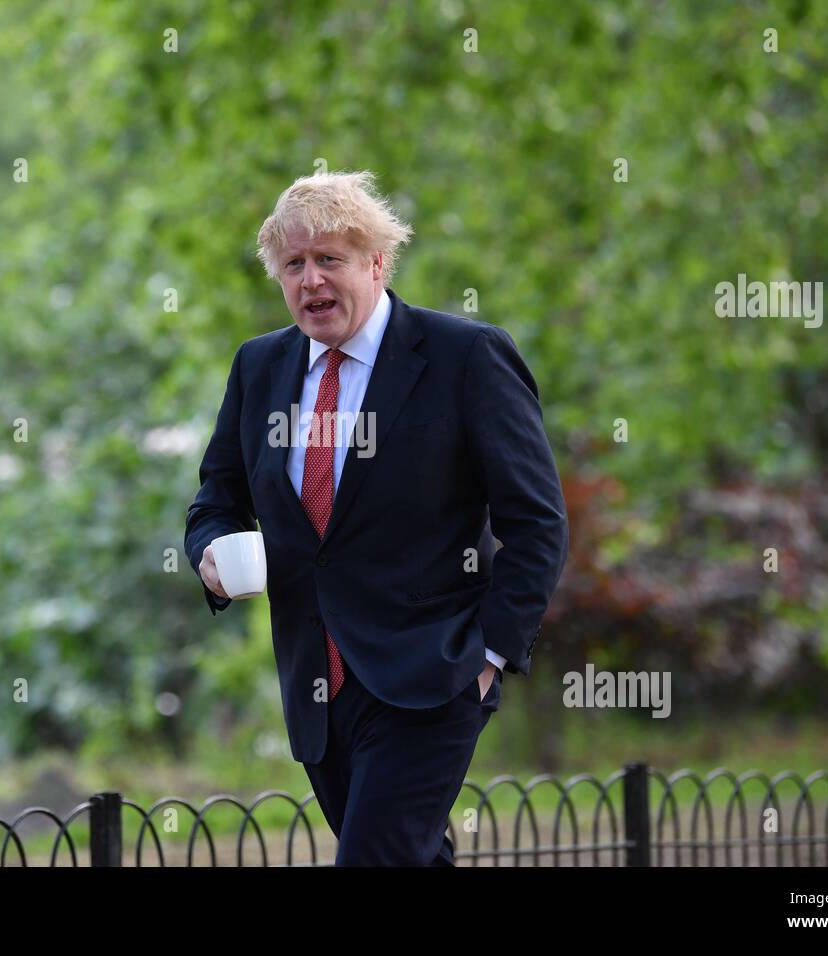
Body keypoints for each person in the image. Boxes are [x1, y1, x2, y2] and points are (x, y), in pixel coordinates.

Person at [184, 169, 568, 865]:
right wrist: (210, 555)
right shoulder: (259, 367)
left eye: (330, 259)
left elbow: (538, 522)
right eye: (293, 265)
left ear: (376, 263)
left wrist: (487, 656)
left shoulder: (465, 357)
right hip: (317, 687)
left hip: (432, 678)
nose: (311, 282)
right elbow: (216, 499)